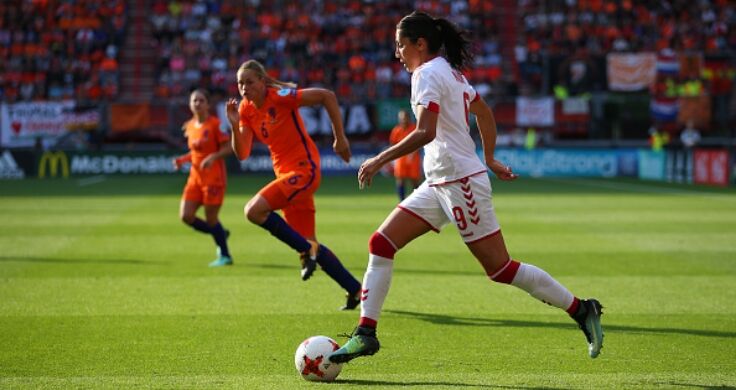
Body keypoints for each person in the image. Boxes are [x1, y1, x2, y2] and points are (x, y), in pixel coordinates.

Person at [330, 11, 604, 363]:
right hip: (441, 181)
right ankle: (366, 333)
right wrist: (488, 157)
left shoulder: (427, 73)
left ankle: (582, 309)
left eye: (400, 45)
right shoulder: (450, 71)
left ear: (420, 44)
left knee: (500, 269)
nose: (396, 53)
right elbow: (484, 112)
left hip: (460, 182)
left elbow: (426, 131)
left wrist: (380, 159)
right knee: (381, 243)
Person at [225, 59, 362, 310]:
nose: (244, 88)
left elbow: (327, 96)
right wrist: (235, 126)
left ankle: (305, 250)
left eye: (249, 82)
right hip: (286, 179)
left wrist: (340, 138)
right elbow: (242, 153)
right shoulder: (245, 109)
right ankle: (354, 290)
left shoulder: (280, 97)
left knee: (253, 211)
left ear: (263, 81)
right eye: (240, 83)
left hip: (304, 171)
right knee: (310, 242)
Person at [173, 88, 233, 267]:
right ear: (190, 105)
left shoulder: (215, 124)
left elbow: (230, 148)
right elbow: (195, 152)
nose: (197, 103)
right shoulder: (189, 126)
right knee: (186, 216)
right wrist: (182, 160)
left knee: (211, 219)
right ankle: (220, 233)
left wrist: (213, 157)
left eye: (201, 100)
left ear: (208, 104)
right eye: (194, 101)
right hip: (195, 178)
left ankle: (225, 255)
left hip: (214, 179)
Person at [389, 109, 422, 200]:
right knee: (400, 180)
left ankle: (418, 200)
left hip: (413, 157)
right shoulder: (396, 130)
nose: (403, 120)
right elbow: (392, 144)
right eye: (401, 118)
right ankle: (401, 201)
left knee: (415, 181)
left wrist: (412, 153)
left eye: (405, 118)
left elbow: (420, 142)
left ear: (409, 118)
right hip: (401, 158)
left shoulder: (414, 128)